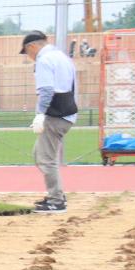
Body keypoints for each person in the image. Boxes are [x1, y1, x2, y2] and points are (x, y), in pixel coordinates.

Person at [21, 31, 78, 213]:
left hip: (56, 114)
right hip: (66, 112)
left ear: (32, 46)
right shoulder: (62, 57)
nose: (29, 57)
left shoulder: (44, 61)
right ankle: (57, 195)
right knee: (40, 155)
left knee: (46, 159)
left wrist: (40, 114)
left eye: (27, 52)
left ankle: (56, 201)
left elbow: (46, 90)